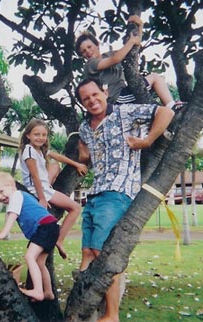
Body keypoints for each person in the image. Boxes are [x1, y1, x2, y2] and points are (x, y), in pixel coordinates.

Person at [75, 78, 174, 322]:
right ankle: (82, 307)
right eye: (86, 98)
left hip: (118, 192)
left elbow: (165, 112)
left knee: (103, 252)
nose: (92, 100)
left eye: (95, 94)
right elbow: (84, 149)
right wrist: (81, 156)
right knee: (87, 252)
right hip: (95, 192)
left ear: (105, 92)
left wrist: (146, 140)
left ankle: (112, 314)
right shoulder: (85, 127)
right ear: (82, 103)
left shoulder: (126, 112)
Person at [75, 15, 181, 110]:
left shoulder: (108, 55)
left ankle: (168, 107)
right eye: (83, 51)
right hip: (117, 98)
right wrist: (131, 41)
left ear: (97, 45)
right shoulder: (90, 65)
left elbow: (132, 50)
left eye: (89, 47)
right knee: (155, 78)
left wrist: (139, 26)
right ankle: (171, 106)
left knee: (156, 90)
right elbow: (116, 59)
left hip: (124, 93)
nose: (87, 51)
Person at [19, 119, 88, 259]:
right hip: (40, 190)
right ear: (28, 135)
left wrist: (76, 164)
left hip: (44, 187)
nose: (41, 138)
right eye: (36, 134)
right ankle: (60, 239)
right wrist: (43, 199)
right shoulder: (29, 152)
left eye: (44, 135)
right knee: (75, 208)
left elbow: (57, 156)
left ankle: (58, 239)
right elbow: (35, 177)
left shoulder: (39, 150)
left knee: (55, 165)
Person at [0, 171, 60, 302]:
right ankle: (48, 292)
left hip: (44, 227)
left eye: (1, 191)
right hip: (50, 227)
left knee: (29, 256)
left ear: (11, 185)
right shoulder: (24, 197)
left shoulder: (16, 195)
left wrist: (2, 233)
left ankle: (38, 291)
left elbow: (12, 216)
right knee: (39, 262)